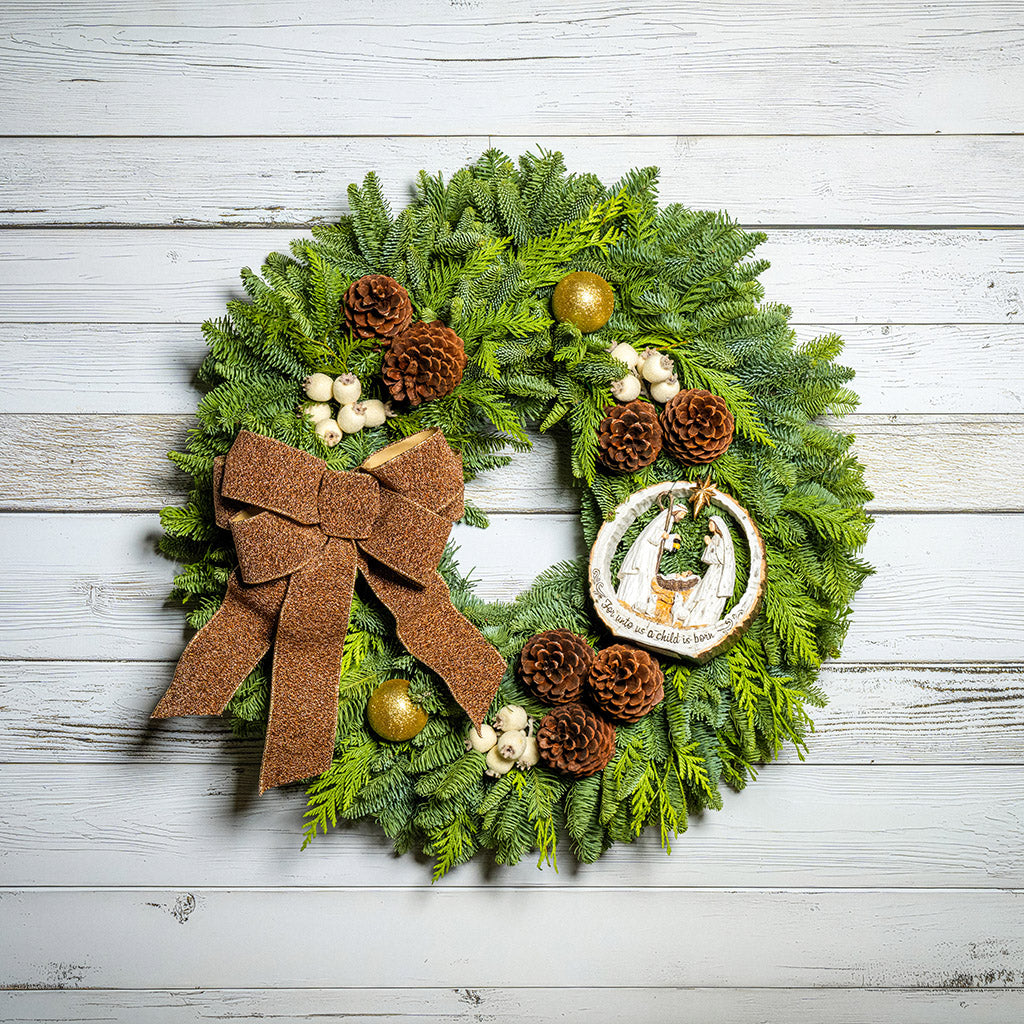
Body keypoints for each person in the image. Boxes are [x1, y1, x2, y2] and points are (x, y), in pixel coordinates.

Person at [616, 505, 686, 618]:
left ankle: (640, 604)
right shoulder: (665, 519)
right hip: (645, 552)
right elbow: (653, 535)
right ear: (676, 512)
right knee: (641, 573)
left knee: (647, 576)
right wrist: (665, 535)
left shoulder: (670, 520)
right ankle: (628, 600)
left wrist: (670, 538)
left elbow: (661, 539)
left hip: (651, 552)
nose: (682, 517)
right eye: (682, 514)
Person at [677, 516, 736, 627]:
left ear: (717, 526)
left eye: (711, 524)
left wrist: (710, 545)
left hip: (718, 574)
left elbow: (721, 558)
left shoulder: (720, 539)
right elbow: (707, 558)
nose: (709, 526)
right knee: (704, 592)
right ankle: (692, 620)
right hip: (713, 571)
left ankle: (703, 621)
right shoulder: (715, 538)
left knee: (709, 595)